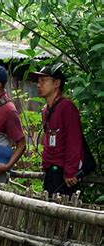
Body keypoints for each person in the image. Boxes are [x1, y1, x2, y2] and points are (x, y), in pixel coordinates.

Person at [30, 64, 84, 195]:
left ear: (56, 83)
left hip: (63, 172)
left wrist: (70, 171)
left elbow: (74, 140)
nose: (39, 85)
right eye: (38, 81)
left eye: (43, 80)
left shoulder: (67, 107)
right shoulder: (45, 110)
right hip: (51, 169)